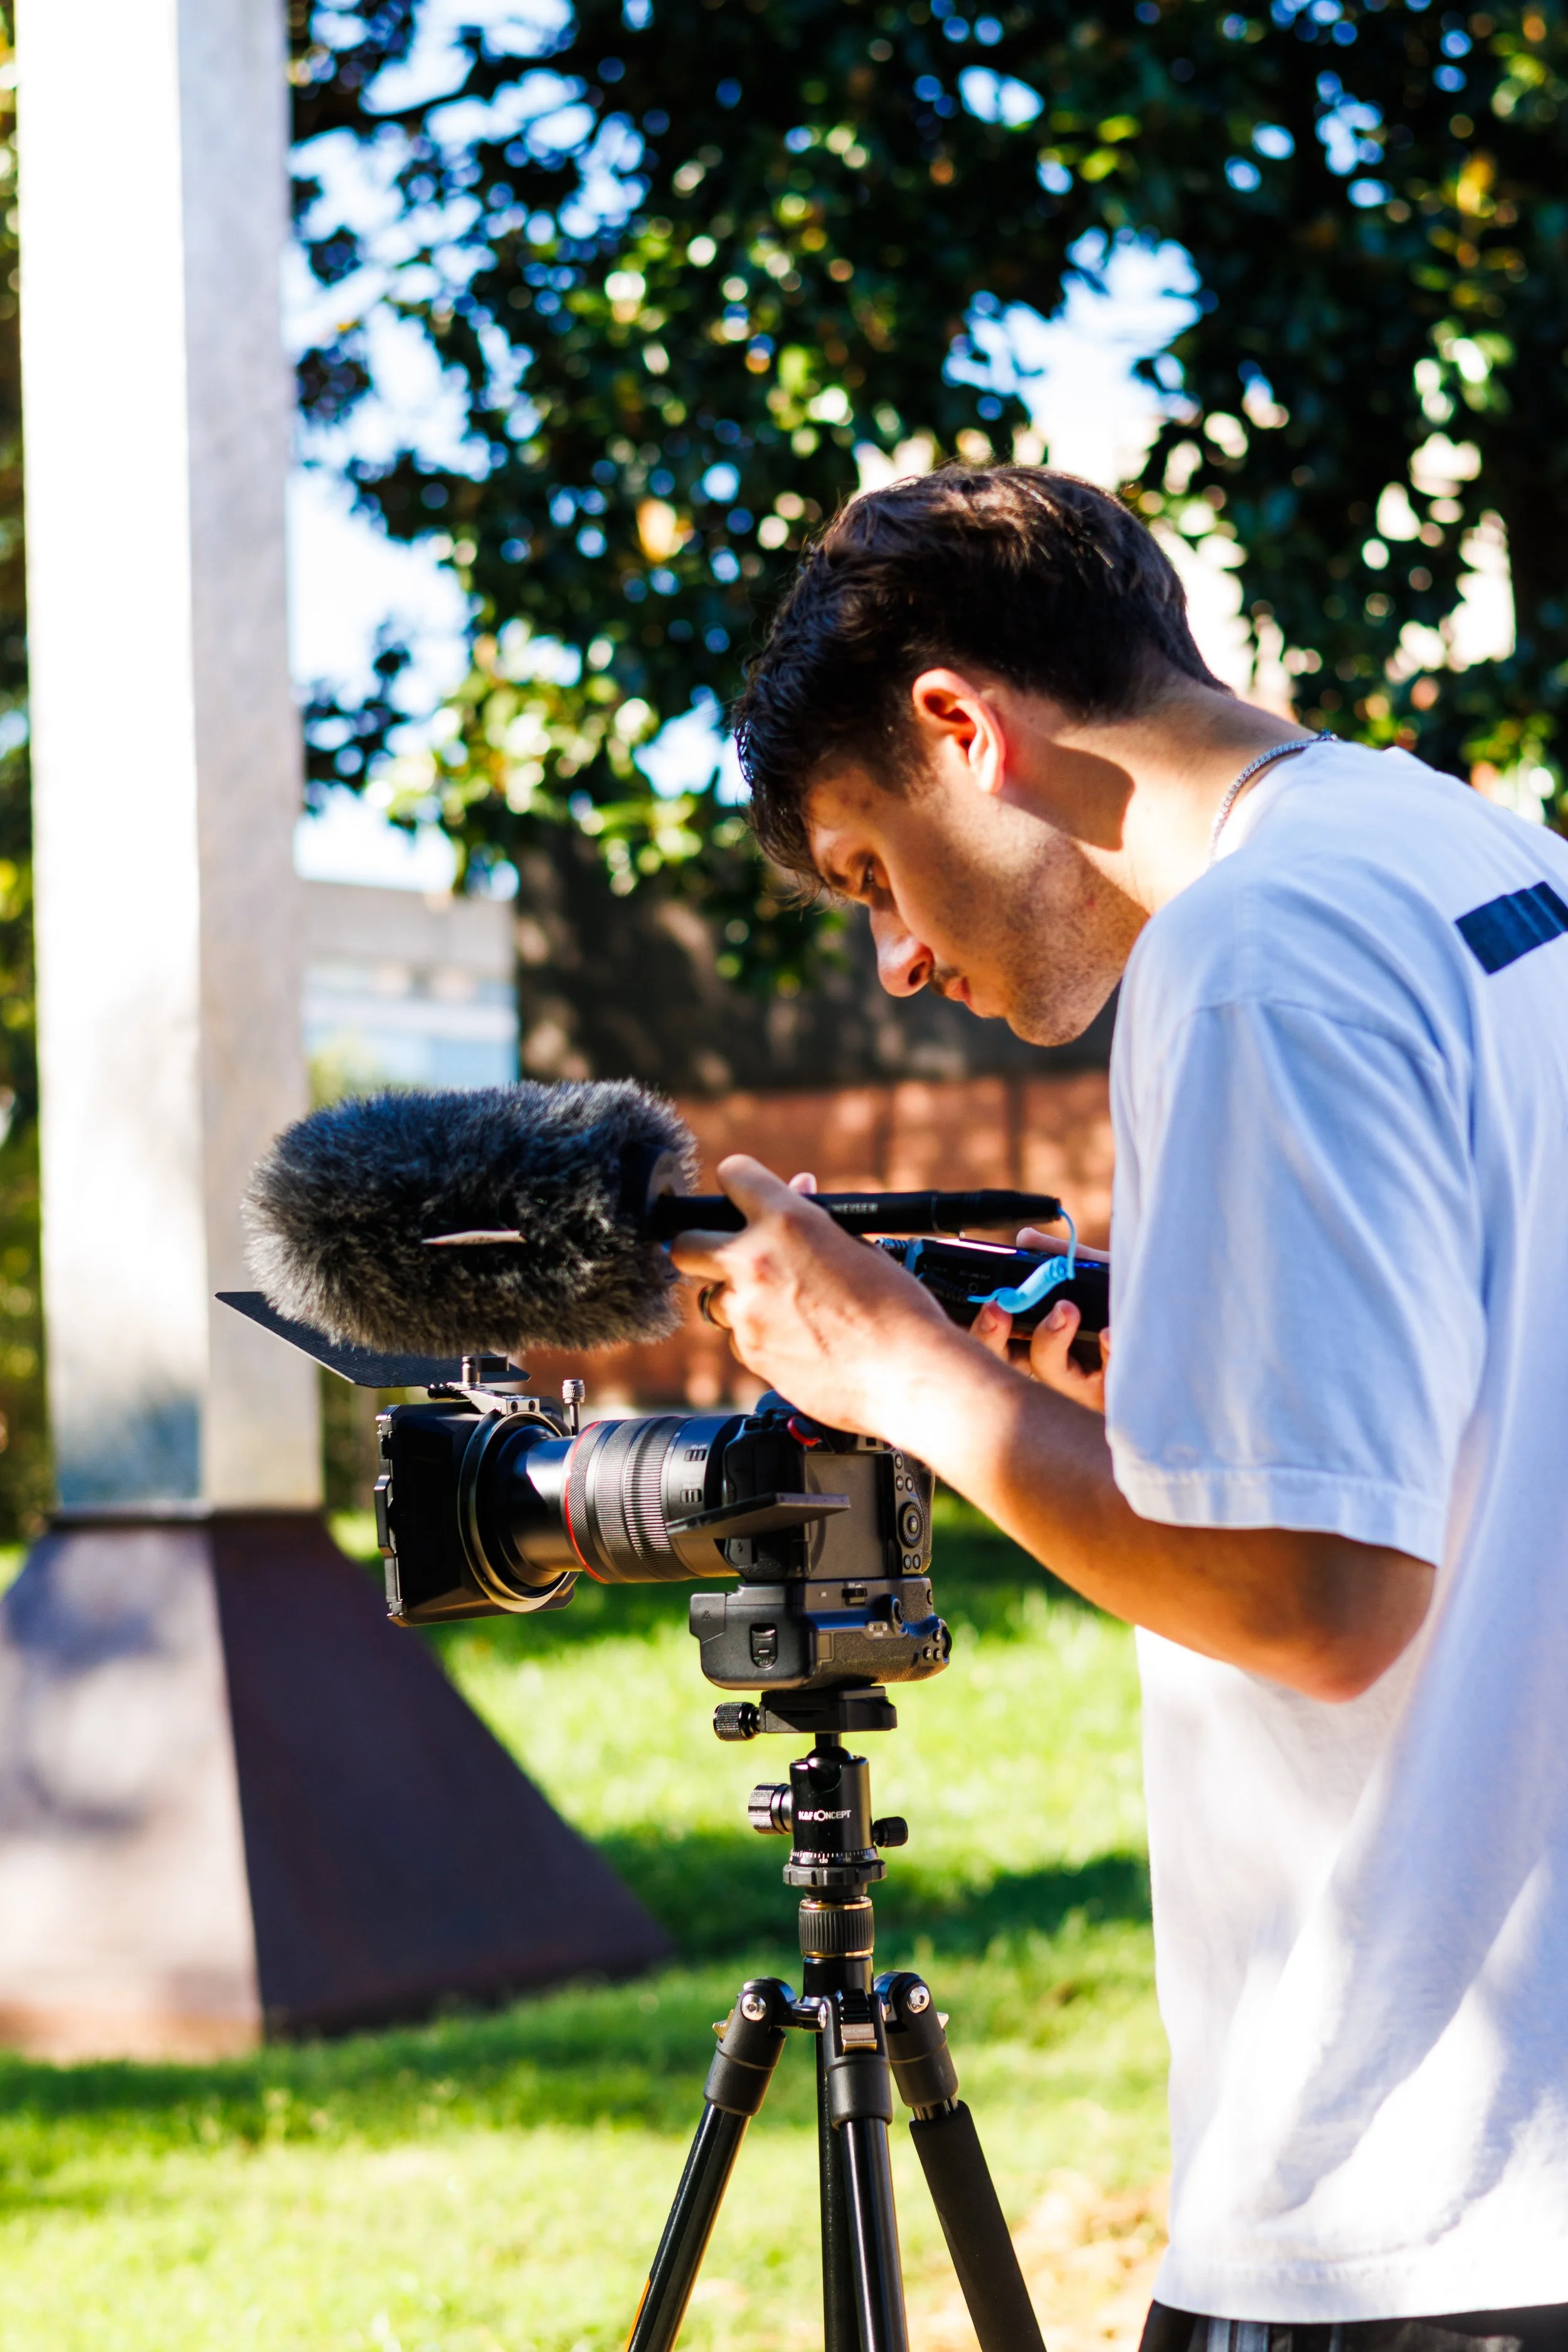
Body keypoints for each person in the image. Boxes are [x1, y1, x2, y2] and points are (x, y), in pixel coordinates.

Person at [669, 467, 1568, 2352]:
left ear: (954, 725)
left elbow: (1317, 1600)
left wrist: (901, 1373)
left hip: (1419, 2198)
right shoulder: (1471, 856)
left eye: (865, 873)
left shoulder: (1253, 952)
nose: (895, 958)